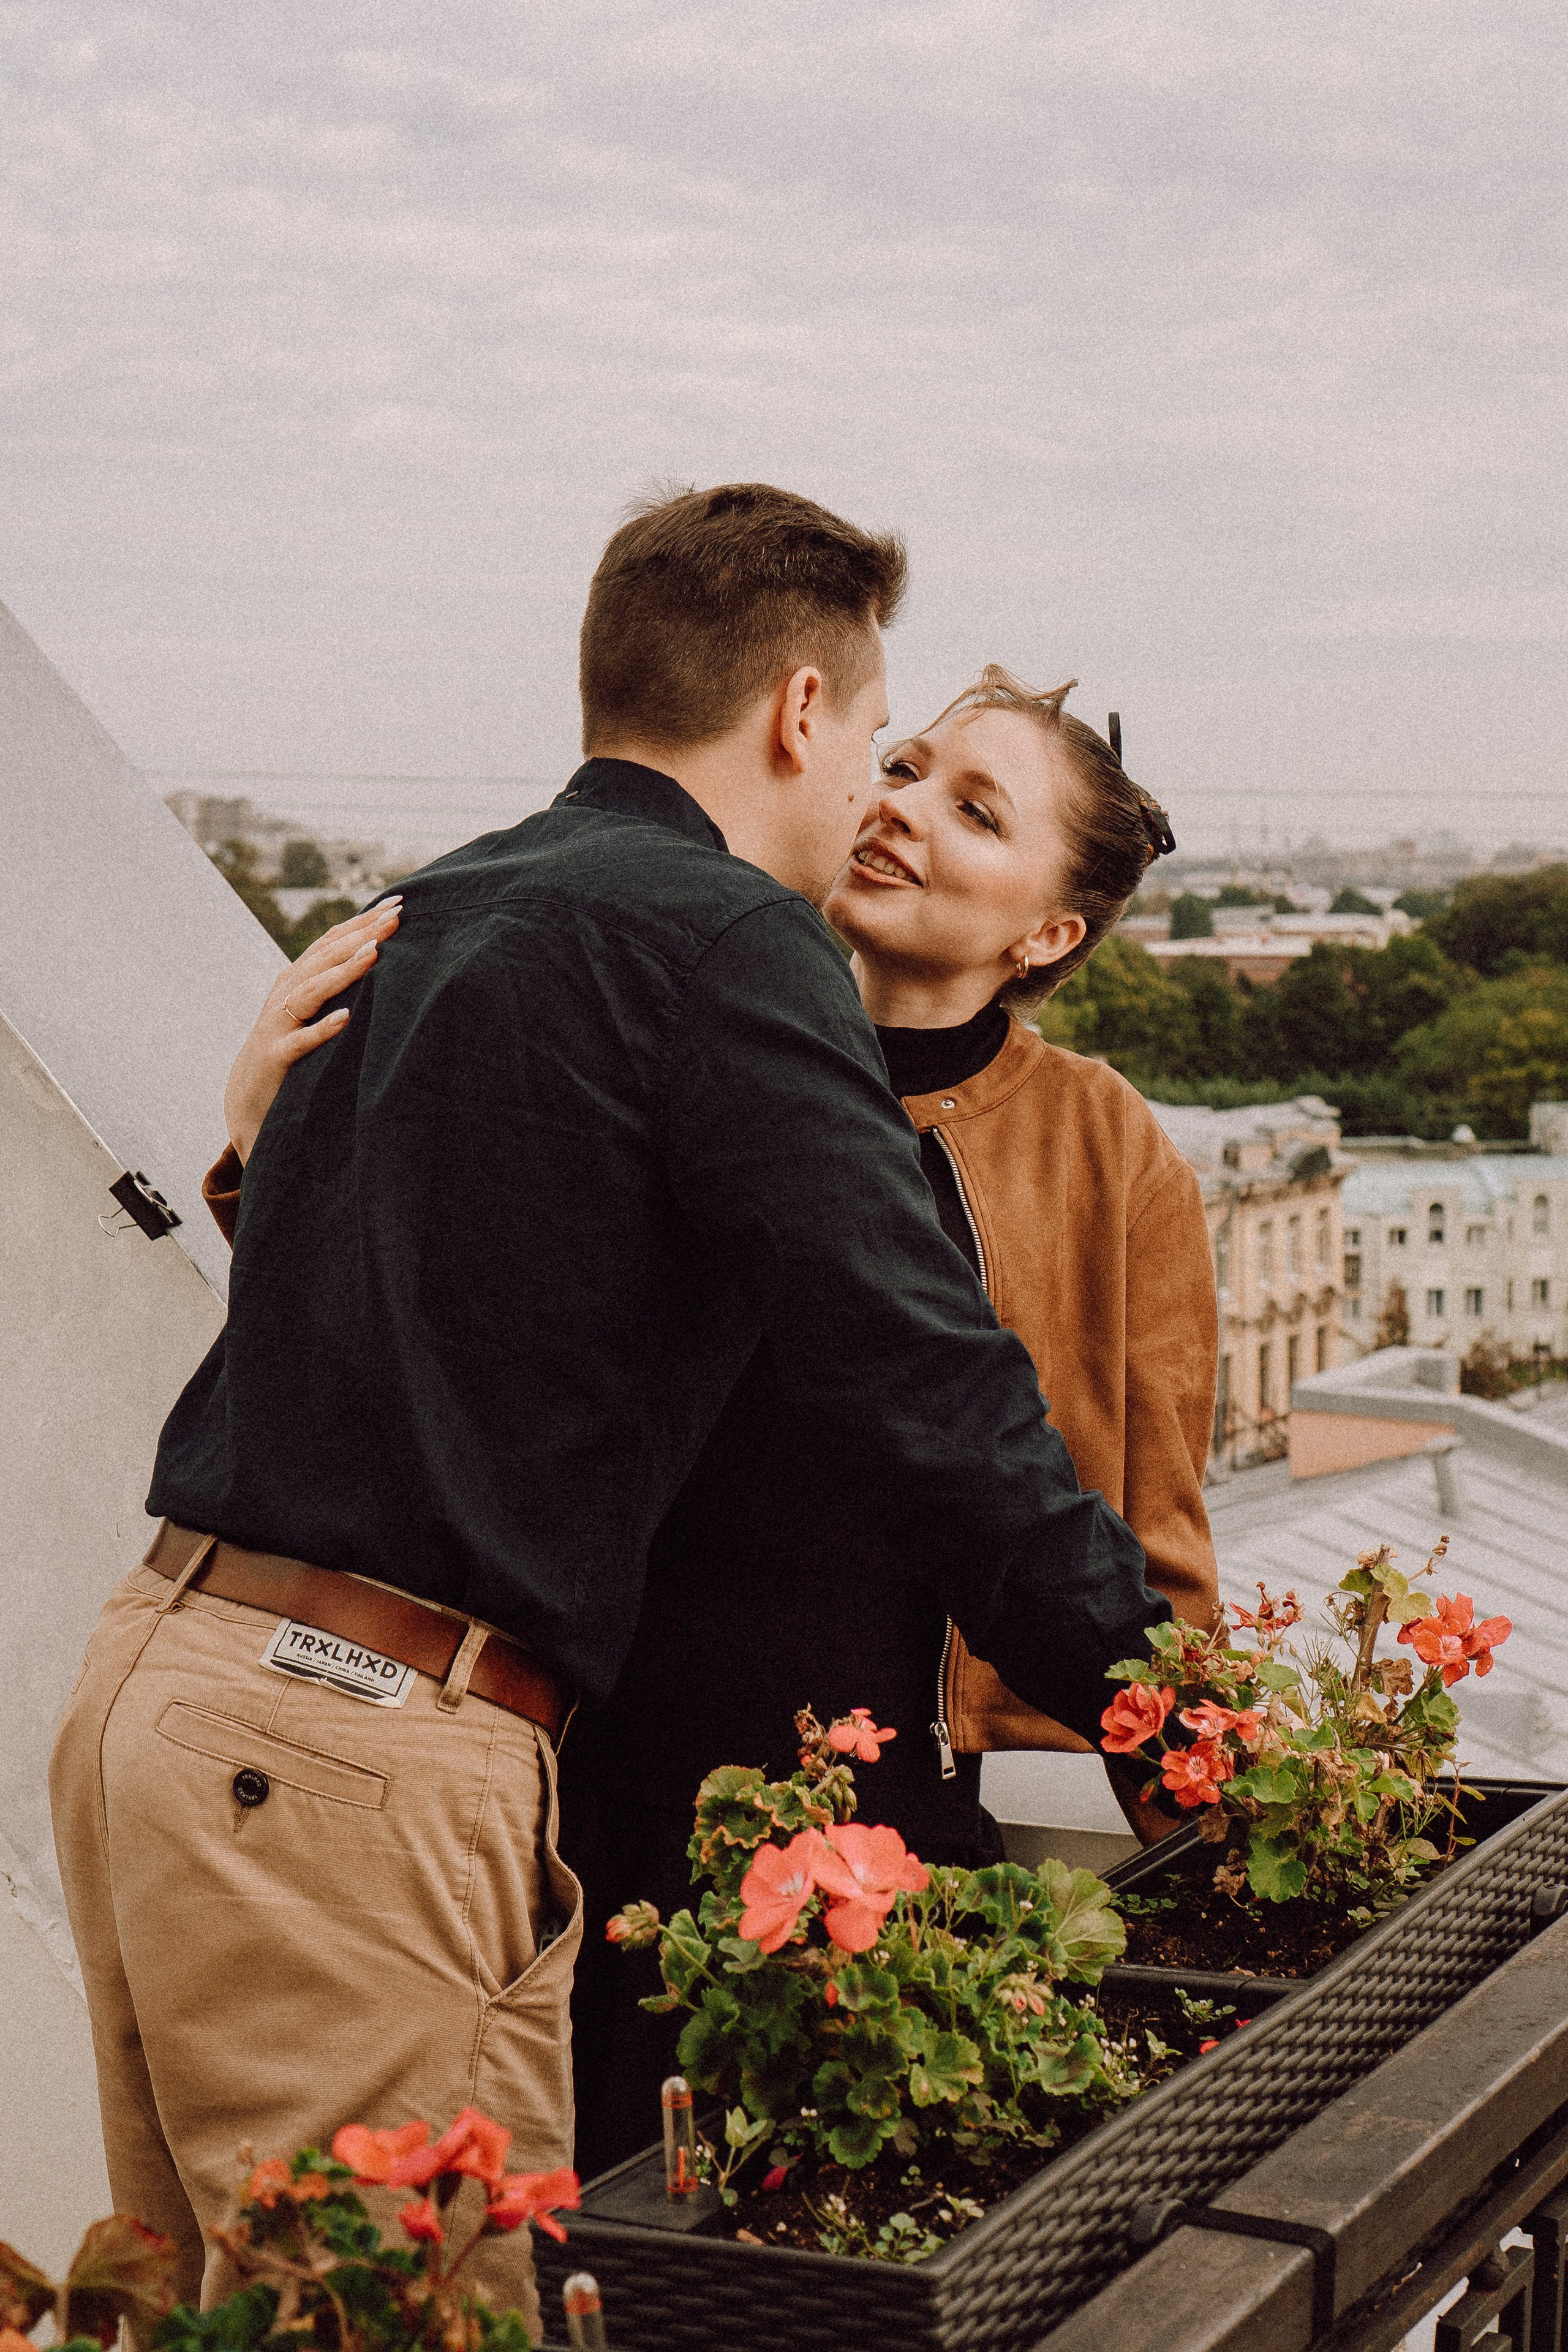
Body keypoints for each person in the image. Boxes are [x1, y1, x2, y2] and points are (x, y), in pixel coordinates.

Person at [50, 484, 1164, 2324]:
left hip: (159, 1710)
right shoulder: (733, 943)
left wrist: (253, 1156)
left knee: (229, 2316)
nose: (871, 790)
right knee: (432, 2317)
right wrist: (1177, 1720)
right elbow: (925, 1385)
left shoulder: (430, 907)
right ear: (798, 712)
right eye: (879, 739)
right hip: (357, 1746)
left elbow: (442, 1299)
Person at [202, 665, 1220, 2180]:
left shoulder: (1103, 1147)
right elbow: (448, 1333)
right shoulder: (686, 1013)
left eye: (976, 810)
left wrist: (1211, 1804)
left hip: (878, 1805)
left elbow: (1148, 1518)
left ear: (1047, 933)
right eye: (912, 762)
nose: (902, 810)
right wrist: (257, 1153)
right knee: (586, 2231)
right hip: (586, 1777)